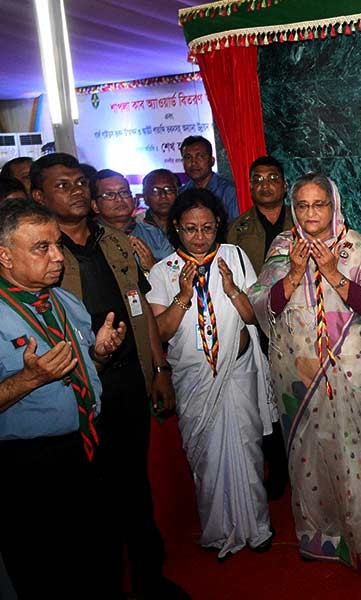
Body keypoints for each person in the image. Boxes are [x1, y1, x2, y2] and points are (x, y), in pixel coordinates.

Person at [30, 153, 189, 600]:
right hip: (75, 389)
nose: (77, 191)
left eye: (80, 182)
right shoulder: (39, 256)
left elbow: (139, 313)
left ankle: (148, 579)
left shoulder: (116, 243)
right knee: (89, 499)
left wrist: (159, 370)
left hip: (127, 382)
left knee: (134, 485)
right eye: (62, 186)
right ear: (38, 196)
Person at [248, 173, 361, 579]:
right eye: (302, 205)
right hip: (298, 375)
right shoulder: (282, 248)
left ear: (335, 205)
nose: (311, 214)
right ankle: (321, 536)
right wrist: (294, 272)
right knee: (306, 456)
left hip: (351, 370)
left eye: (320, 205)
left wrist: (332, 271)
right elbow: (263, 305)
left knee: (356, 458)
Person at [0, 198, 126, 598]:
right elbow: (36, 379)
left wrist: (99, 356)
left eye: (57, 244)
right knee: (48, 572)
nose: (58, 256)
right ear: (4, 255)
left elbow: (79, 374)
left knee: (99, 560)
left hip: (86, 448)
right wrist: (27, 380)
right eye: (43, 248)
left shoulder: (64, 301)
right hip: (29, 468)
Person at [147, 188, 274, 561]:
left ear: (218, 223)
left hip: (237, 373)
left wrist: (234, 290)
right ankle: (218, 529)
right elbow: (162, 332)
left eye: (207, 227)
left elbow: (255, 317)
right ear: (176, 228)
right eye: (190, 229)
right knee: (206, 458)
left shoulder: (233, 256)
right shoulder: (163, 271)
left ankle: (258, 526)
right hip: (195, 379)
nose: (200, 236)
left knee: (248, 449)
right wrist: (184, 295)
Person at [227, 155, 292, 500]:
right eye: (258, 179)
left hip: (298, 322)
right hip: (257, 325)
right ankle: (277, 468)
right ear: (249, 186)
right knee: (266, 401)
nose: (265, 185)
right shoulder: (236, 229)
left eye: (272, 178)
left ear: (284, 184)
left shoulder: (304, 219)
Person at [90, 169, 173, 270]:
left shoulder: (153, 234)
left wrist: (154, 267)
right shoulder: (88, 238)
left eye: (124, 192)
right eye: (109, 195)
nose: (119, 199)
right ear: (95, 206)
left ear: (133, 199)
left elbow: (174, 277)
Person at [179, 136, 238, 221]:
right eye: (188, 158)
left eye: (200, 156)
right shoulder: (181, 193)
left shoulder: (230, 192)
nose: (193, 162)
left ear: (212, 161)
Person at [139, 168, 180, 234]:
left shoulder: (189, 222)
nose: (163, 196)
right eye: (155, 191)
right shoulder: (137, 225)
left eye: (168, 189)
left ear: (177, 193)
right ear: (145, 197)